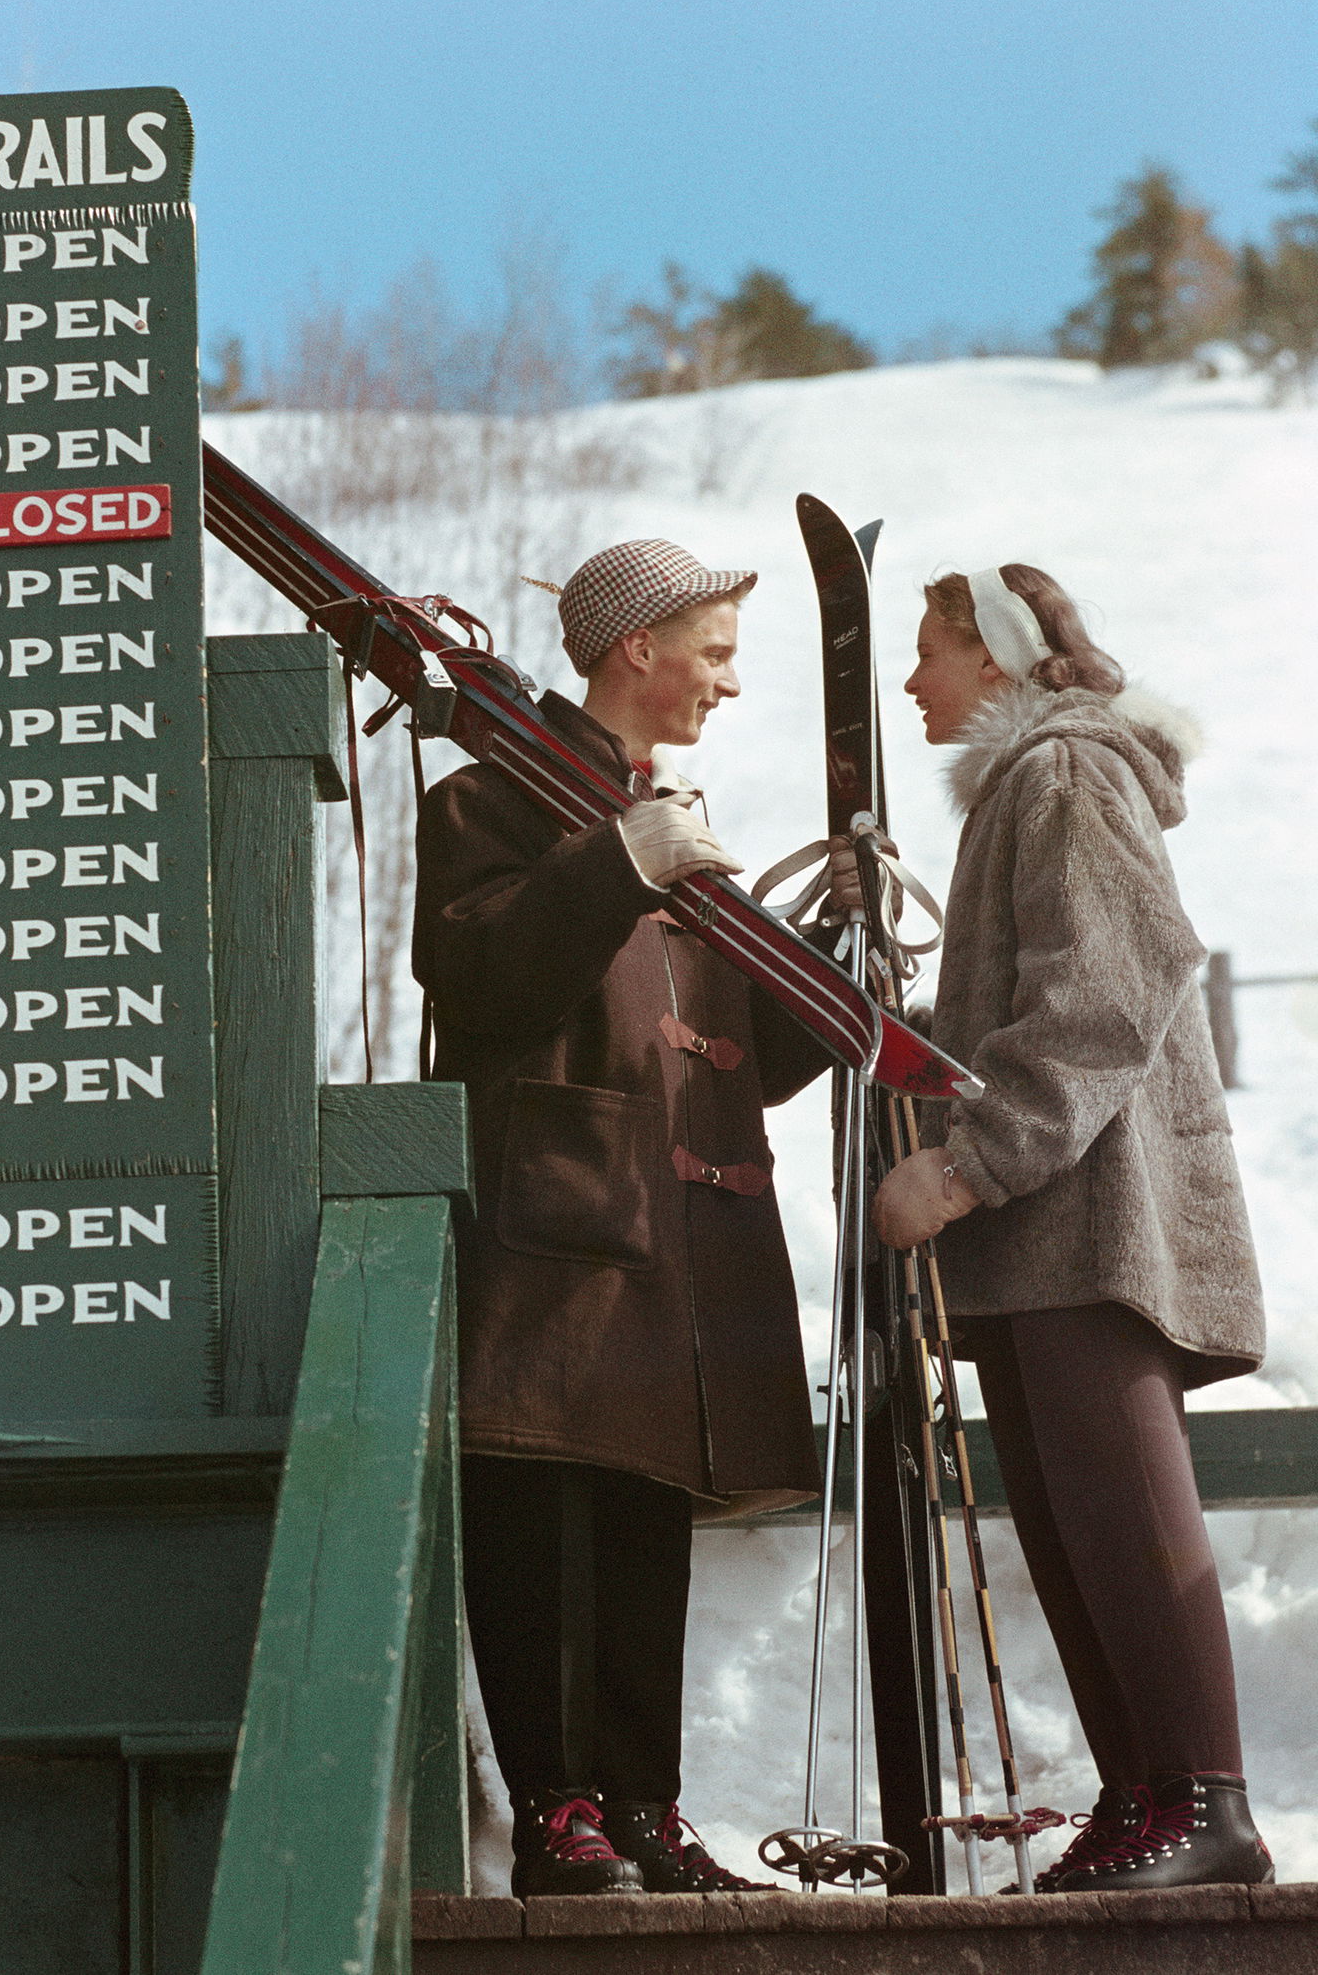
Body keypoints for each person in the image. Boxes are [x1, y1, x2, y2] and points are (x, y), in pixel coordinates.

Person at [414, 540, 833, 1897]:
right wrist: (618, 864)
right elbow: (478, 978)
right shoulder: (489, 801)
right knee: (539, 1507)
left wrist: (828, 968)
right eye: (711, 647)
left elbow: (748, 1058)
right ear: (636, 645)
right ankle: (557, 1808)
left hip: (676, 1229)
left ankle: (646, 1806)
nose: (728, 676)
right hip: (551, 1223)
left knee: (648, 1516)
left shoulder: (677, 816)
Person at [870, 563, 1272, 1893]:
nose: (912, 680)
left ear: (994, 656)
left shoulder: (1062, 771)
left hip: (1096, 1211)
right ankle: (1146, 1793)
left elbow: (1114, 987)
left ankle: (1208, 1801)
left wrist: (970, 1165)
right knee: (1067, 1508)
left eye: (927, 651)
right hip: (1055, 1218)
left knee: (1114, 1495)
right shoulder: (1025, 785)